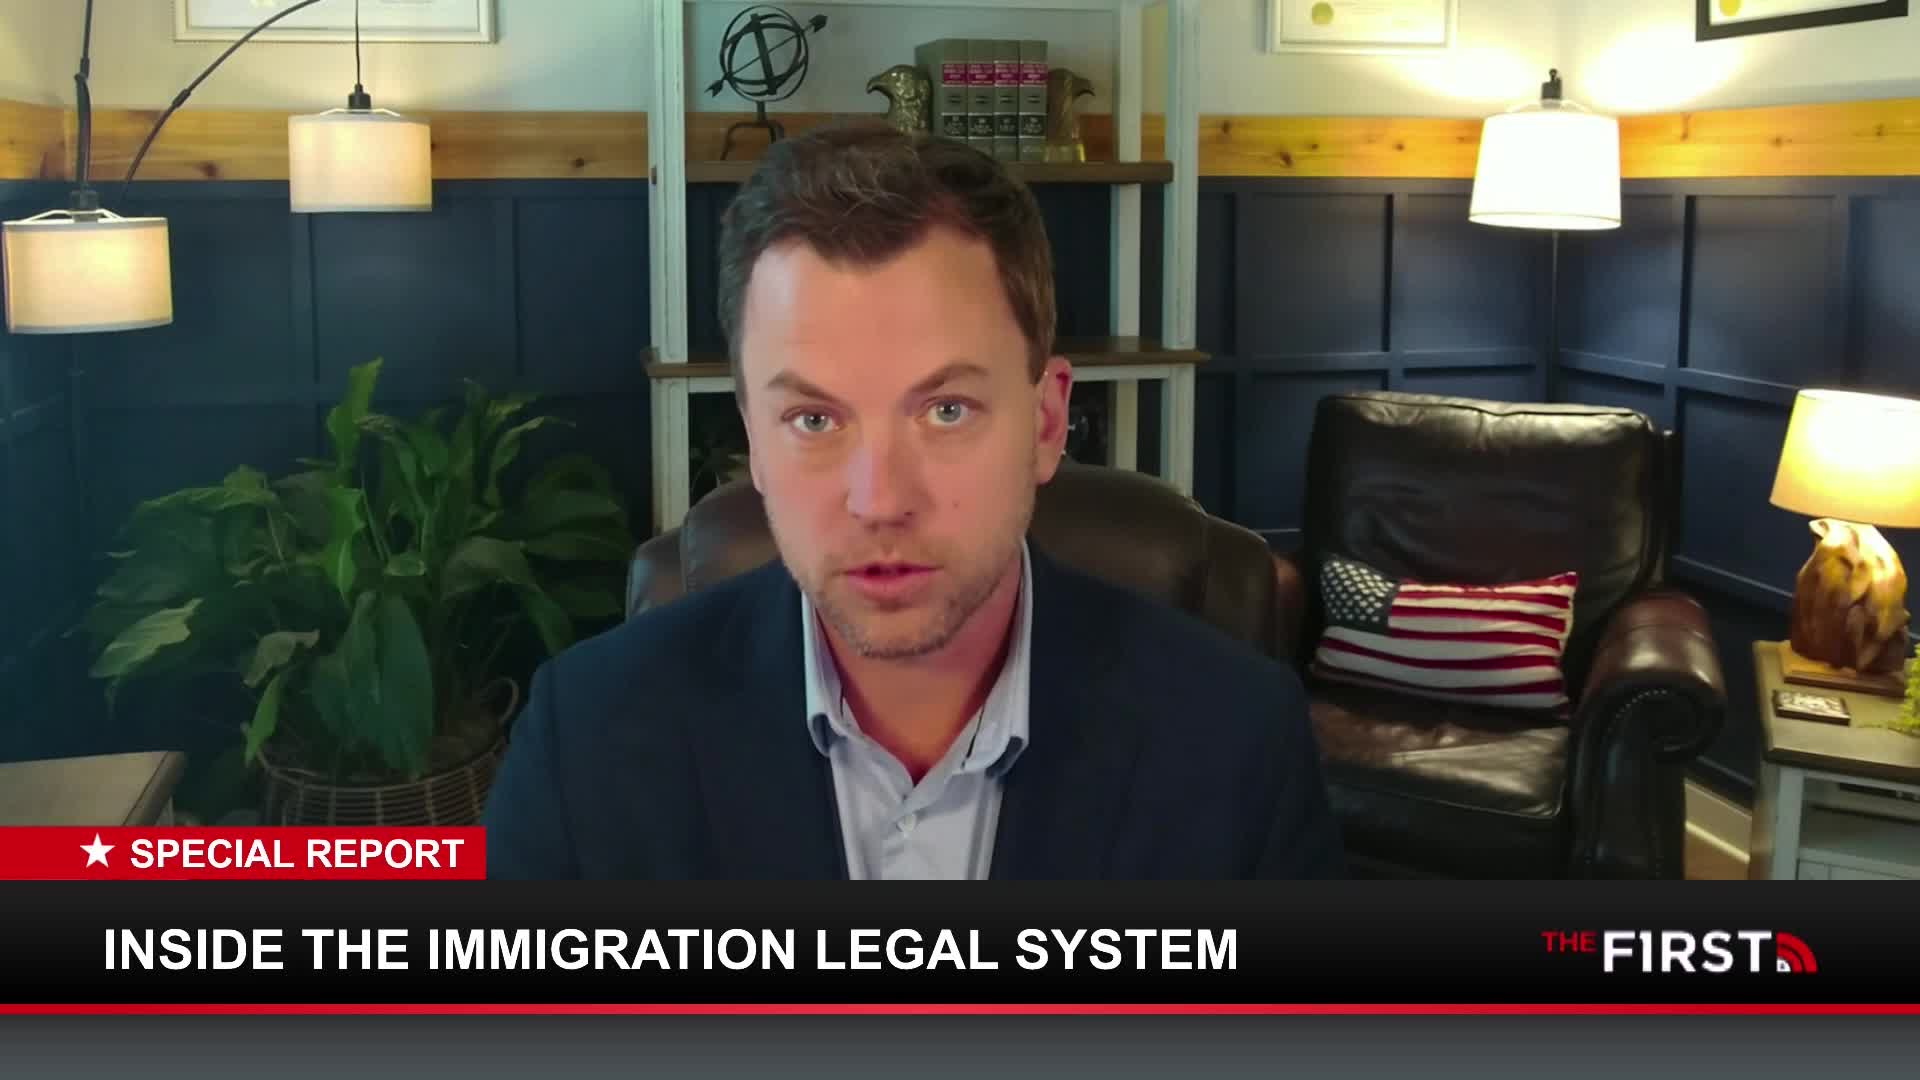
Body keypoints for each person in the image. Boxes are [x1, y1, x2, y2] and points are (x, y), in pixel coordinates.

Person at [483, 127, 1344, 879]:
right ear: (753, 439)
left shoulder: (1238, 742)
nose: (879, 500)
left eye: (945, 410)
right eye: (813, 418)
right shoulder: (585, 740)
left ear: (1046, 423)